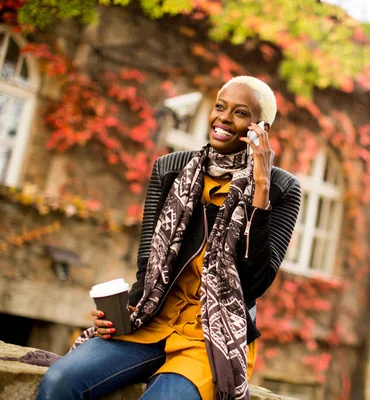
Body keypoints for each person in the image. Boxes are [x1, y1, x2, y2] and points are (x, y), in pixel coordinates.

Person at [36, 76, 302, 400]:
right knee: (60, 380)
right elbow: (148, 263)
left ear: (261, 128)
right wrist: (120, 313)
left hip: (210, 340)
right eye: (220, 107)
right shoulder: (171, 168)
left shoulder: (281, 189)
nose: (223, 118)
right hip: (150, 321)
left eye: (240, 113)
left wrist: (260, 192)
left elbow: (256, 282)